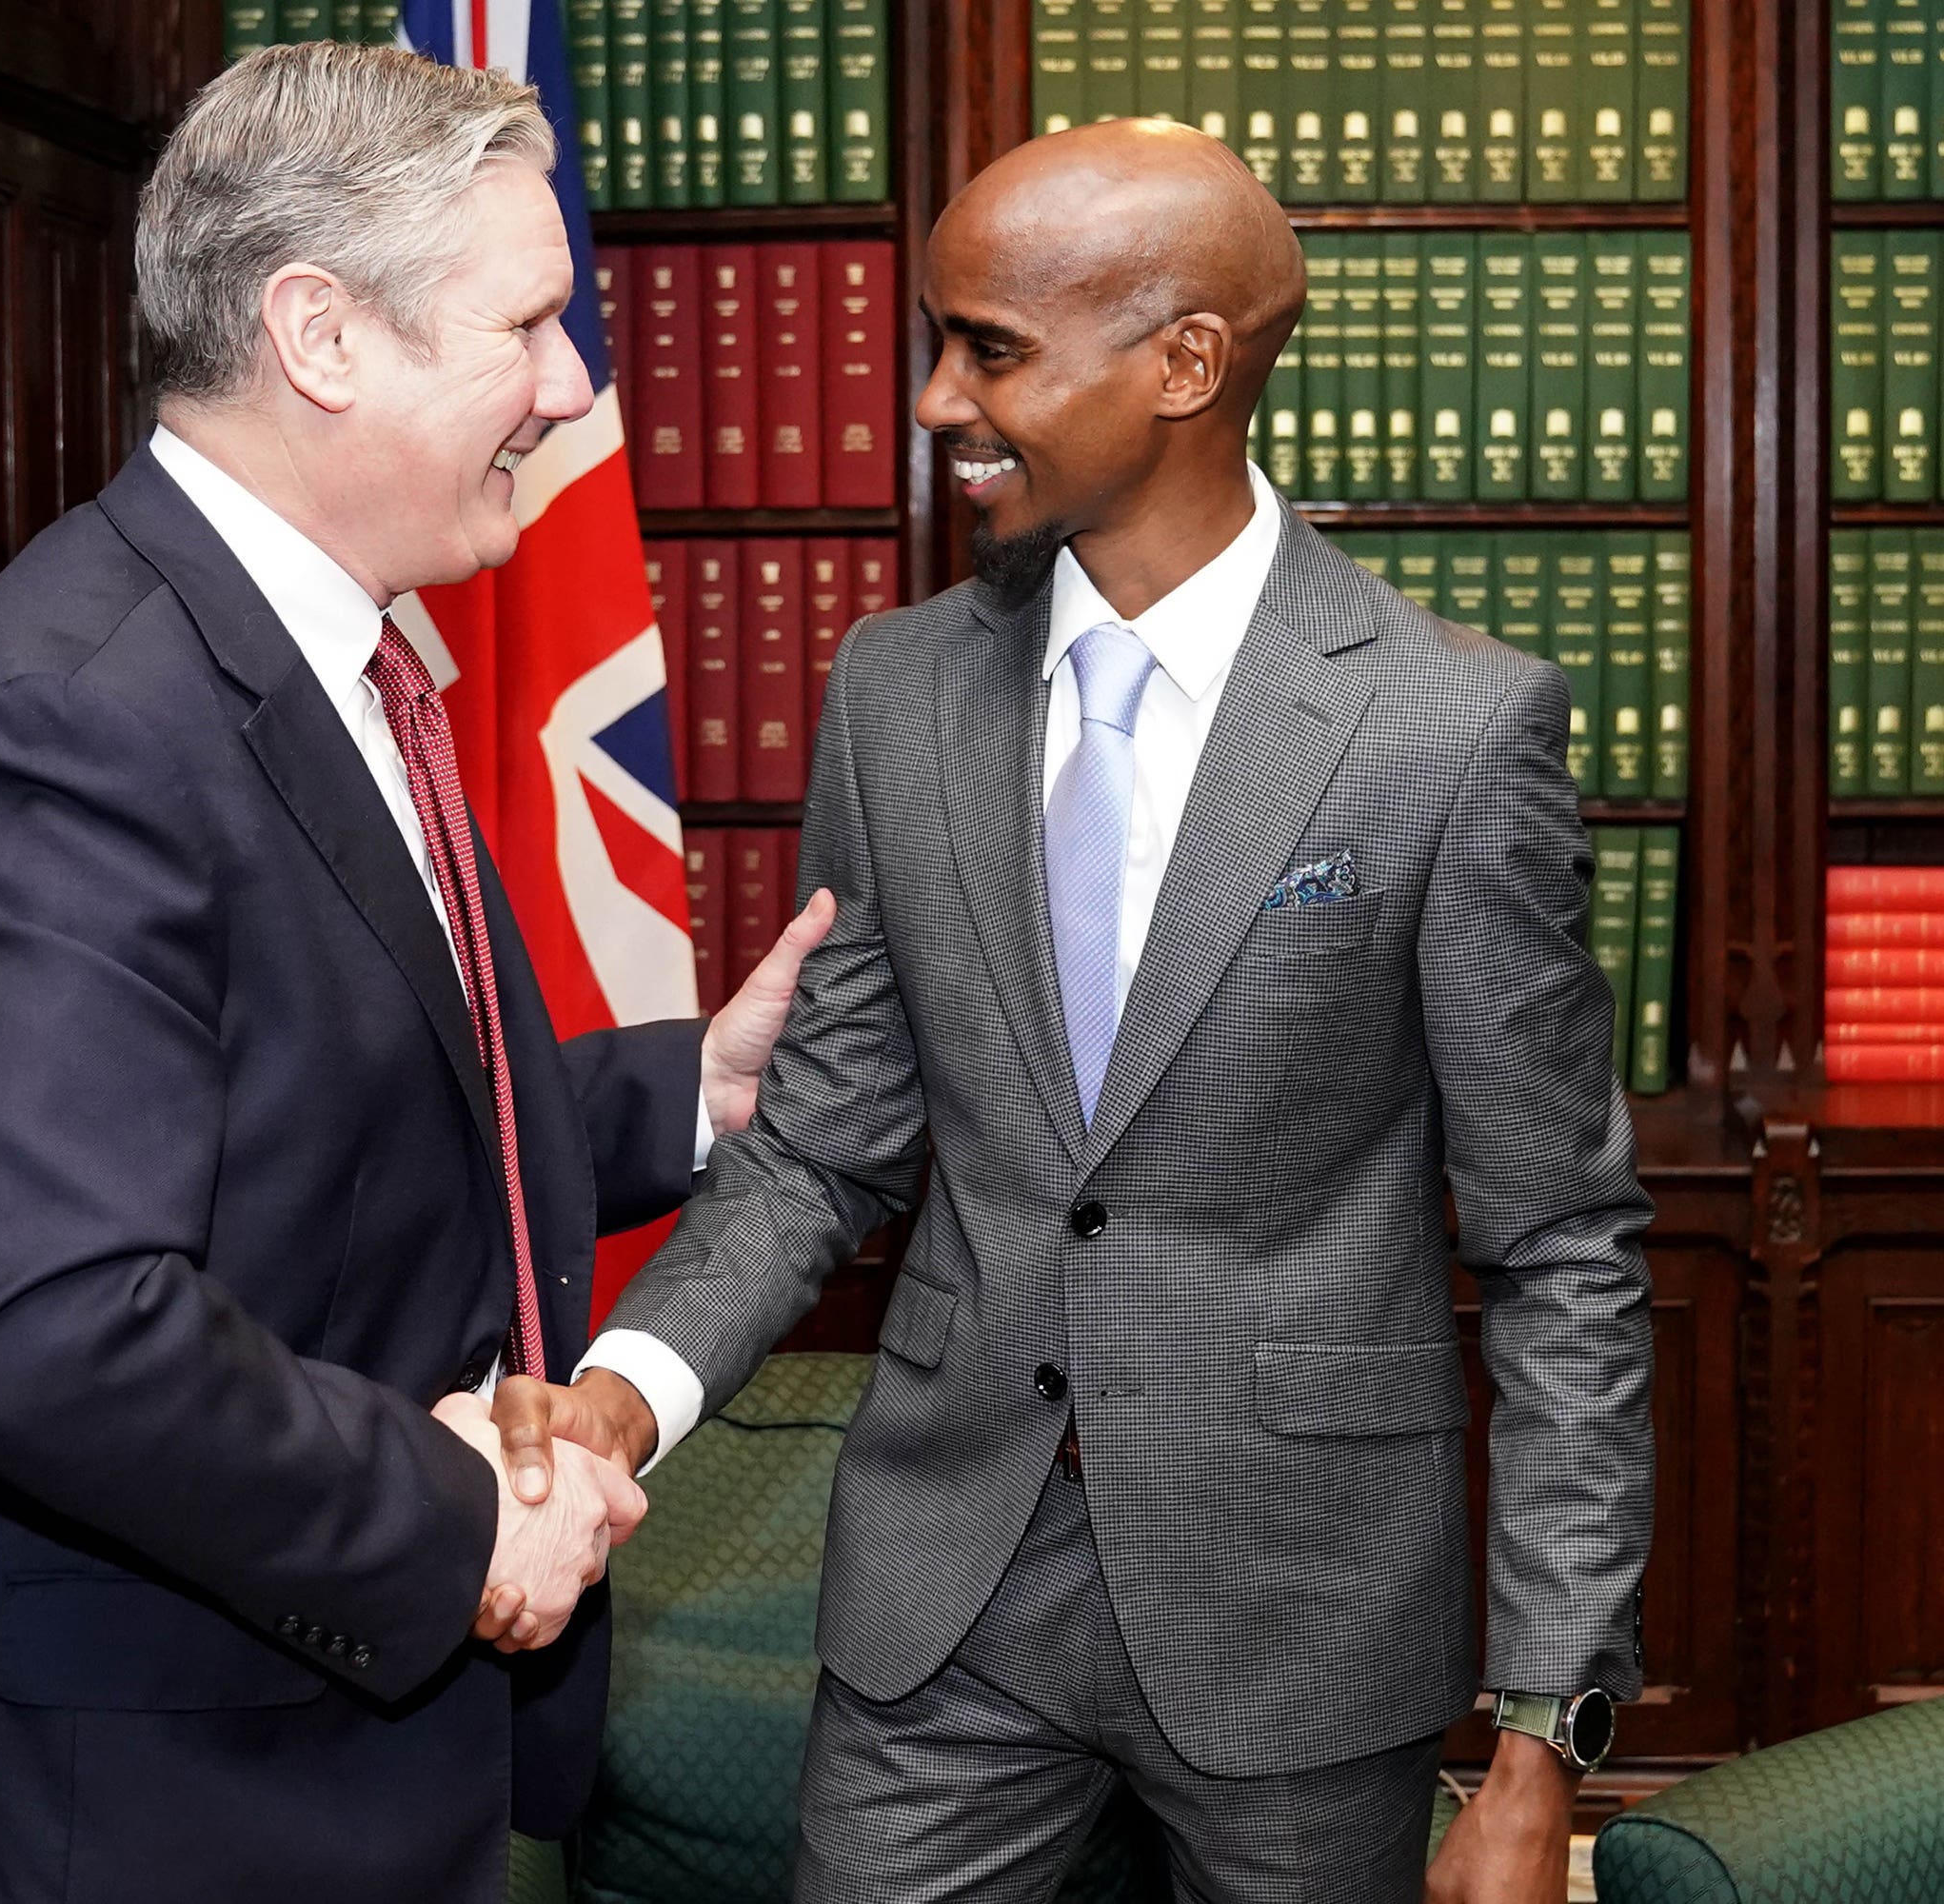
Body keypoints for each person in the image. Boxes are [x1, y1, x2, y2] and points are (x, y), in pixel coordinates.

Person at [496, 120, 1654, 1903]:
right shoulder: (894, 688)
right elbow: (821, 1146)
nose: (938, 400)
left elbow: (1565, 1245)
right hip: (941, 1604)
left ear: (1185, 363)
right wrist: (624, 1398)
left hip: (1302, 1620)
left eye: (995, 349)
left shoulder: (1447, 731)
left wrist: (1538, 1743)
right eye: (940, 342)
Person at [0, 42, 827, 1904]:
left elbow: (331, 1107)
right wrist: (460, 1514)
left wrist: (691, 1092)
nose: (573, 391)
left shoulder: (323, 663)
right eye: (530, 324)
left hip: (301, 1759)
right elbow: (52, 1326)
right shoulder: (71, 729)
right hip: (132, 1816)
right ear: (322, 336)